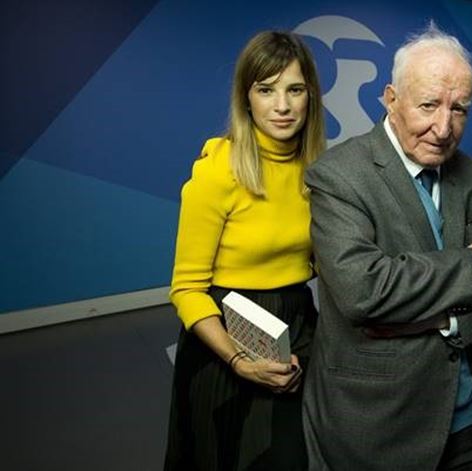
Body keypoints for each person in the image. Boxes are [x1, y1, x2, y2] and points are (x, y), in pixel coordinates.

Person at [301, 23, 472, 471]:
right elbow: (363, 291)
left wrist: (444, 320)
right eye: (428, 105)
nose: (443, 128)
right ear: (390, 98)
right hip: (381, 422)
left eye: (459, 109)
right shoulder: (338, 175)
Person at [164, 31, 325, 471]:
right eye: (266, 90)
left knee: (292, 458)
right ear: (246, 98)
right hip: (224, 337)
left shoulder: (318, 173)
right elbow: (186, 289)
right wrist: (237, 360)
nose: (282, 106)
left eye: (295, 89)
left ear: (310, 96)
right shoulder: (217, 171)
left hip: (295, 328)